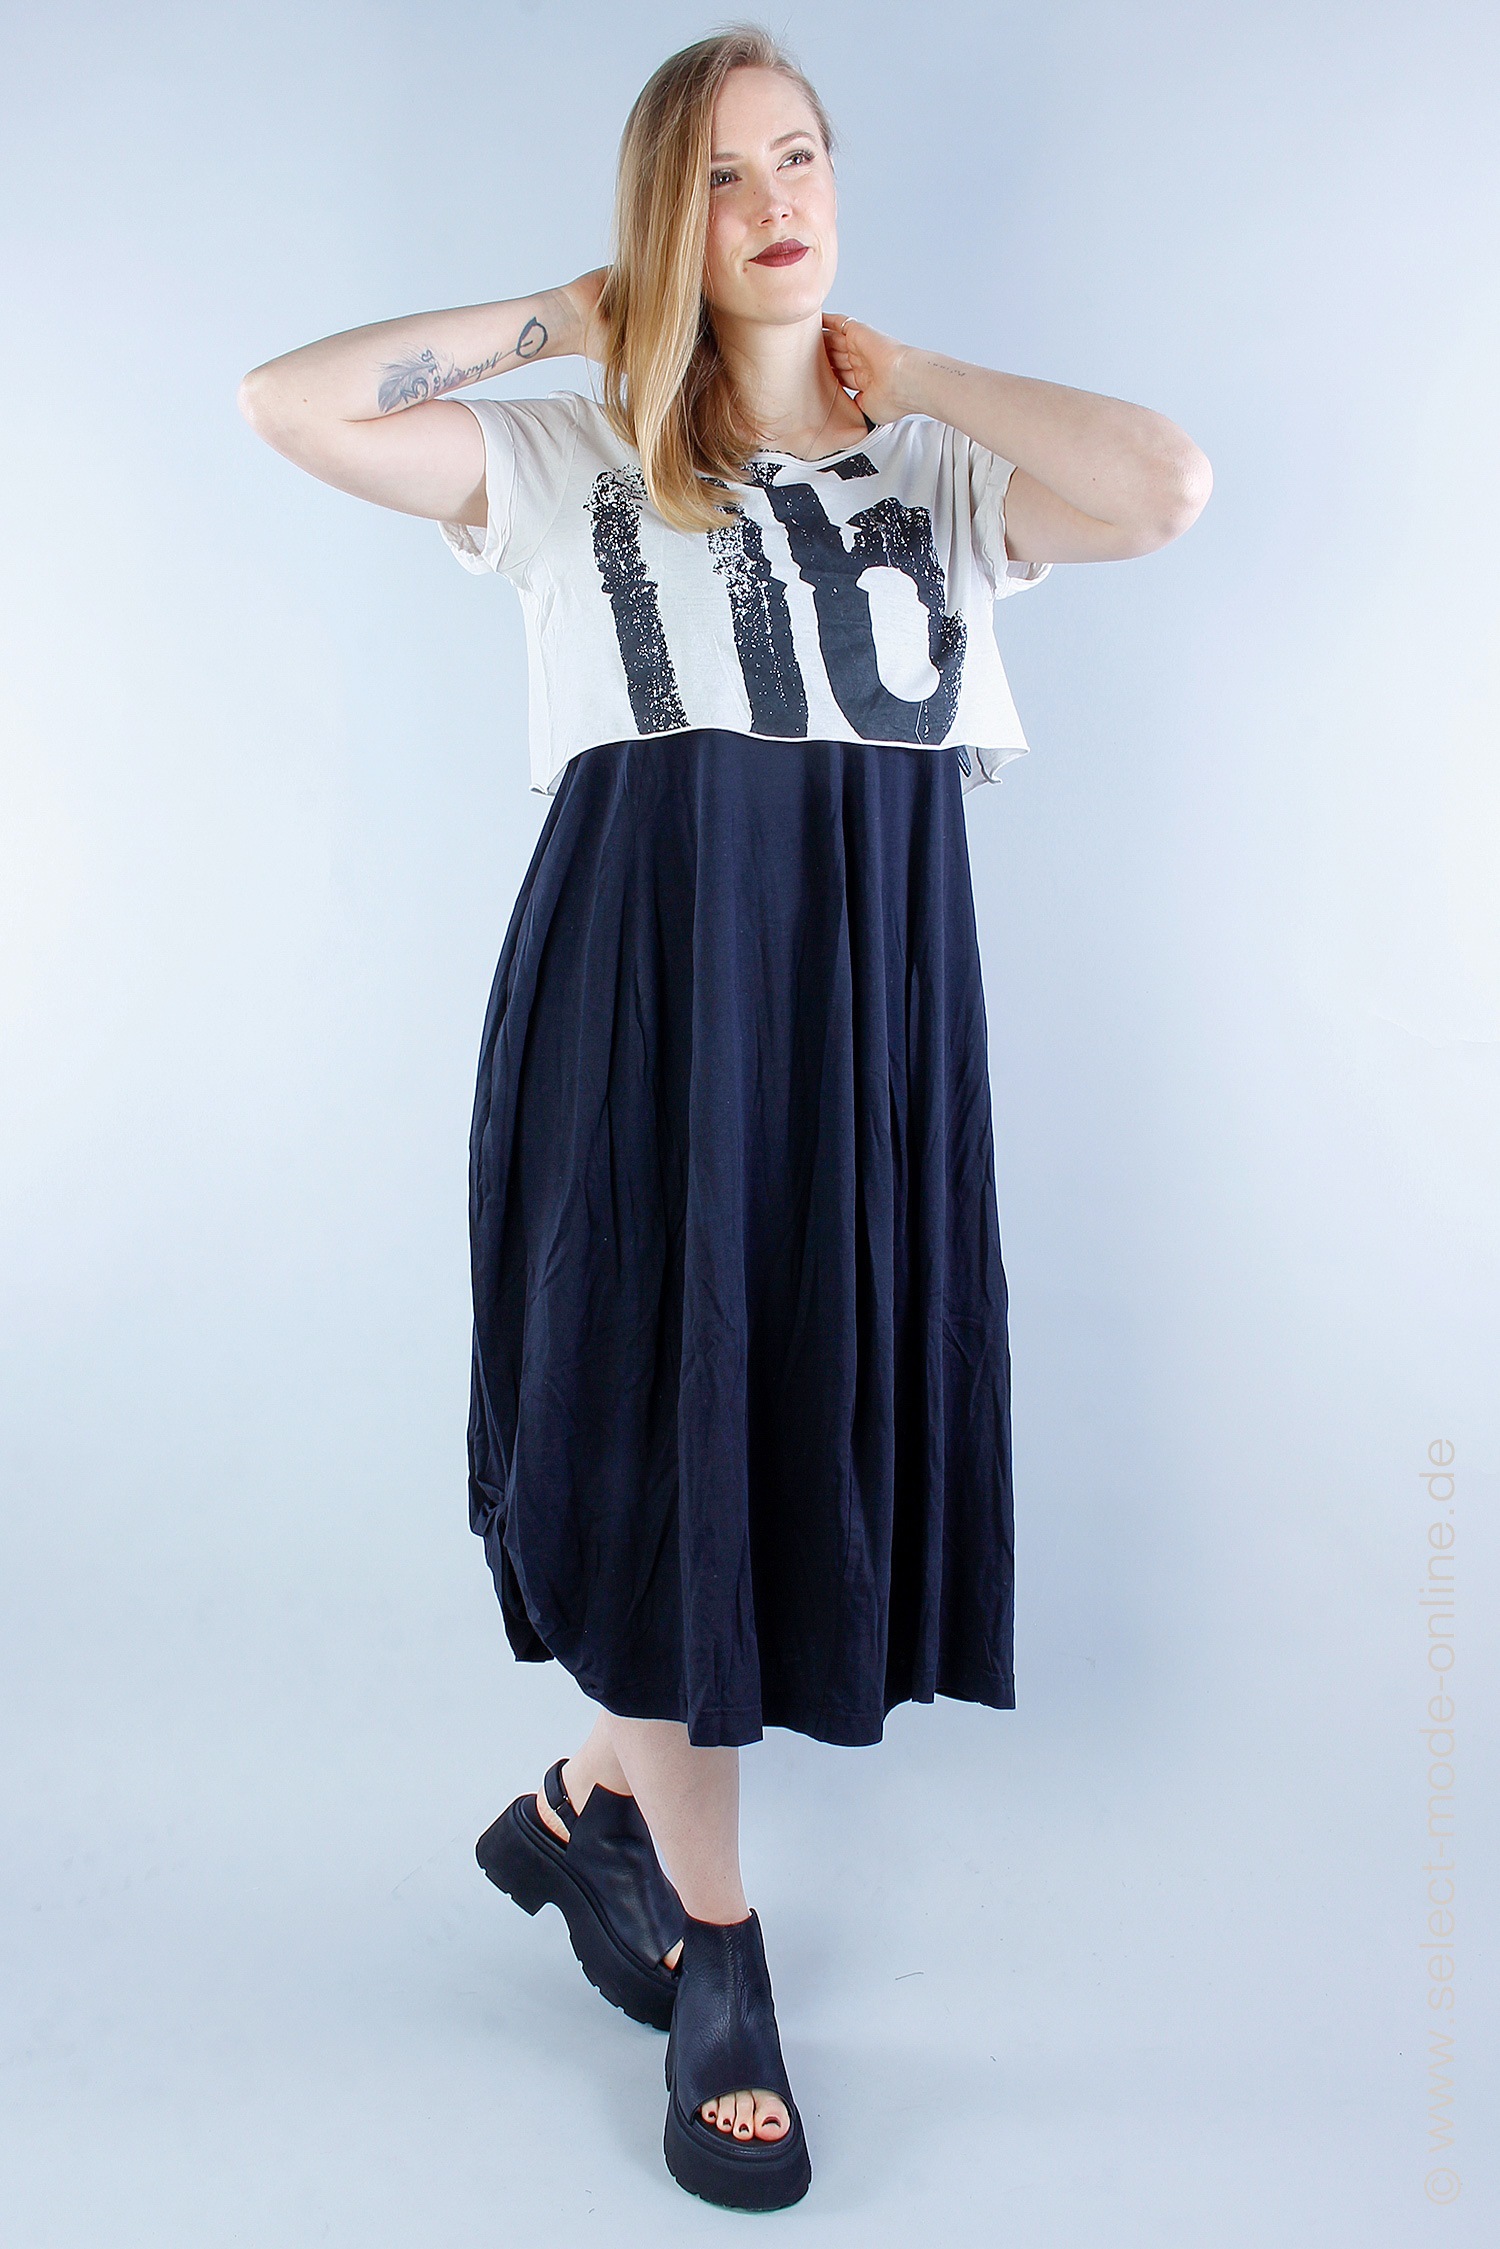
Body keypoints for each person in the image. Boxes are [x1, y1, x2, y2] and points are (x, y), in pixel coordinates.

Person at [238, 23, 1211, 2213]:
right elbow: (288, 405)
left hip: (864, 1010)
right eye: (715, 175)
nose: (771, 202)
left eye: (798, 158)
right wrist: (561, 318)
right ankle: (719, 1956)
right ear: (655, 217)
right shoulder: (575, 448)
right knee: (673, 1428)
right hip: (645, 995)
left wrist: (904, 369)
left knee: (768, 1440)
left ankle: (592, 1813)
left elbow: (1163, 485)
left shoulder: (939, 470)